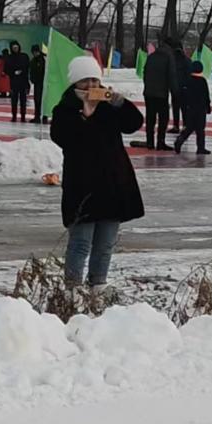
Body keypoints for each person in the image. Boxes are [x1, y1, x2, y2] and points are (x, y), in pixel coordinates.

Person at [50, 56, 144, 292]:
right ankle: (72, 288)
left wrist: (121, 102)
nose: (92, 86)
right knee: (81, 242)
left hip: (113, 183)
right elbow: (64, 138)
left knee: (105, 243)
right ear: (75, 84)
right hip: (82, 185)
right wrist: (86, 115)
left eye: (95, 80)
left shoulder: (109, 104)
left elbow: (134, 123)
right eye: (85, 81)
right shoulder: (65, 108)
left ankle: (98, 285)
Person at [142, 39, 180, 150]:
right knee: (163, 118)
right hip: (161, 94)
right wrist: (175, 92)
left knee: (150, 118)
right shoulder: (169, 57)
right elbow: (171, 76)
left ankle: (150, 142)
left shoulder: (151, 56)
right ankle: (160, 142)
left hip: (148, 93)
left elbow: (145, 73)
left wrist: (148, 86)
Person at [174, 60, 211, 155]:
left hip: (190, 108)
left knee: (189, 128)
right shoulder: (202, 81)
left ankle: (180, 140)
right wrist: (208, 106)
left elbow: (183, 95)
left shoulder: (188, 80)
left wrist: (184, 106)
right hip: (201, 109)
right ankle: (200, 147)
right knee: (200, 129)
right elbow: (206, 96)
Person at [2, 41, 31, 123]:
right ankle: (14, 116)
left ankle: (23, 116)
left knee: (23, 100)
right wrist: (13, 72)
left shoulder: (24, 56)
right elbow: (6, 70)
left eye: (17, 47)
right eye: (14, 48)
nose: (15, 49)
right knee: (14, 100)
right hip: (14, 82)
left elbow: (27, 68)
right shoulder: (9, 58)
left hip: (23, 81)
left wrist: (27, 83)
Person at [170, 46, 191, 134]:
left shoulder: (172, 61)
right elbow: (190, 73)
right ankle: (185, 125)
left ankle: (176, 126)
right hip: (184, 88)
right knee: (184, 108)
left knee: (175, 108)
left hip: (175, 88)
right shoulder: (187, 60)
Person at [30, 44, 47, 123]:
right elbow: (32, 71)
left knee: (43, 100)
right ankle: (37, 116)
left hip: (44, 83)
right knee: (37, 100)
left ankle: (44, 117)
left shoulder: (43, 59)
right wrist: (32, 79)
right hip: (37, 83)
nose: (35, 53)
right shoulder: (33, 60)